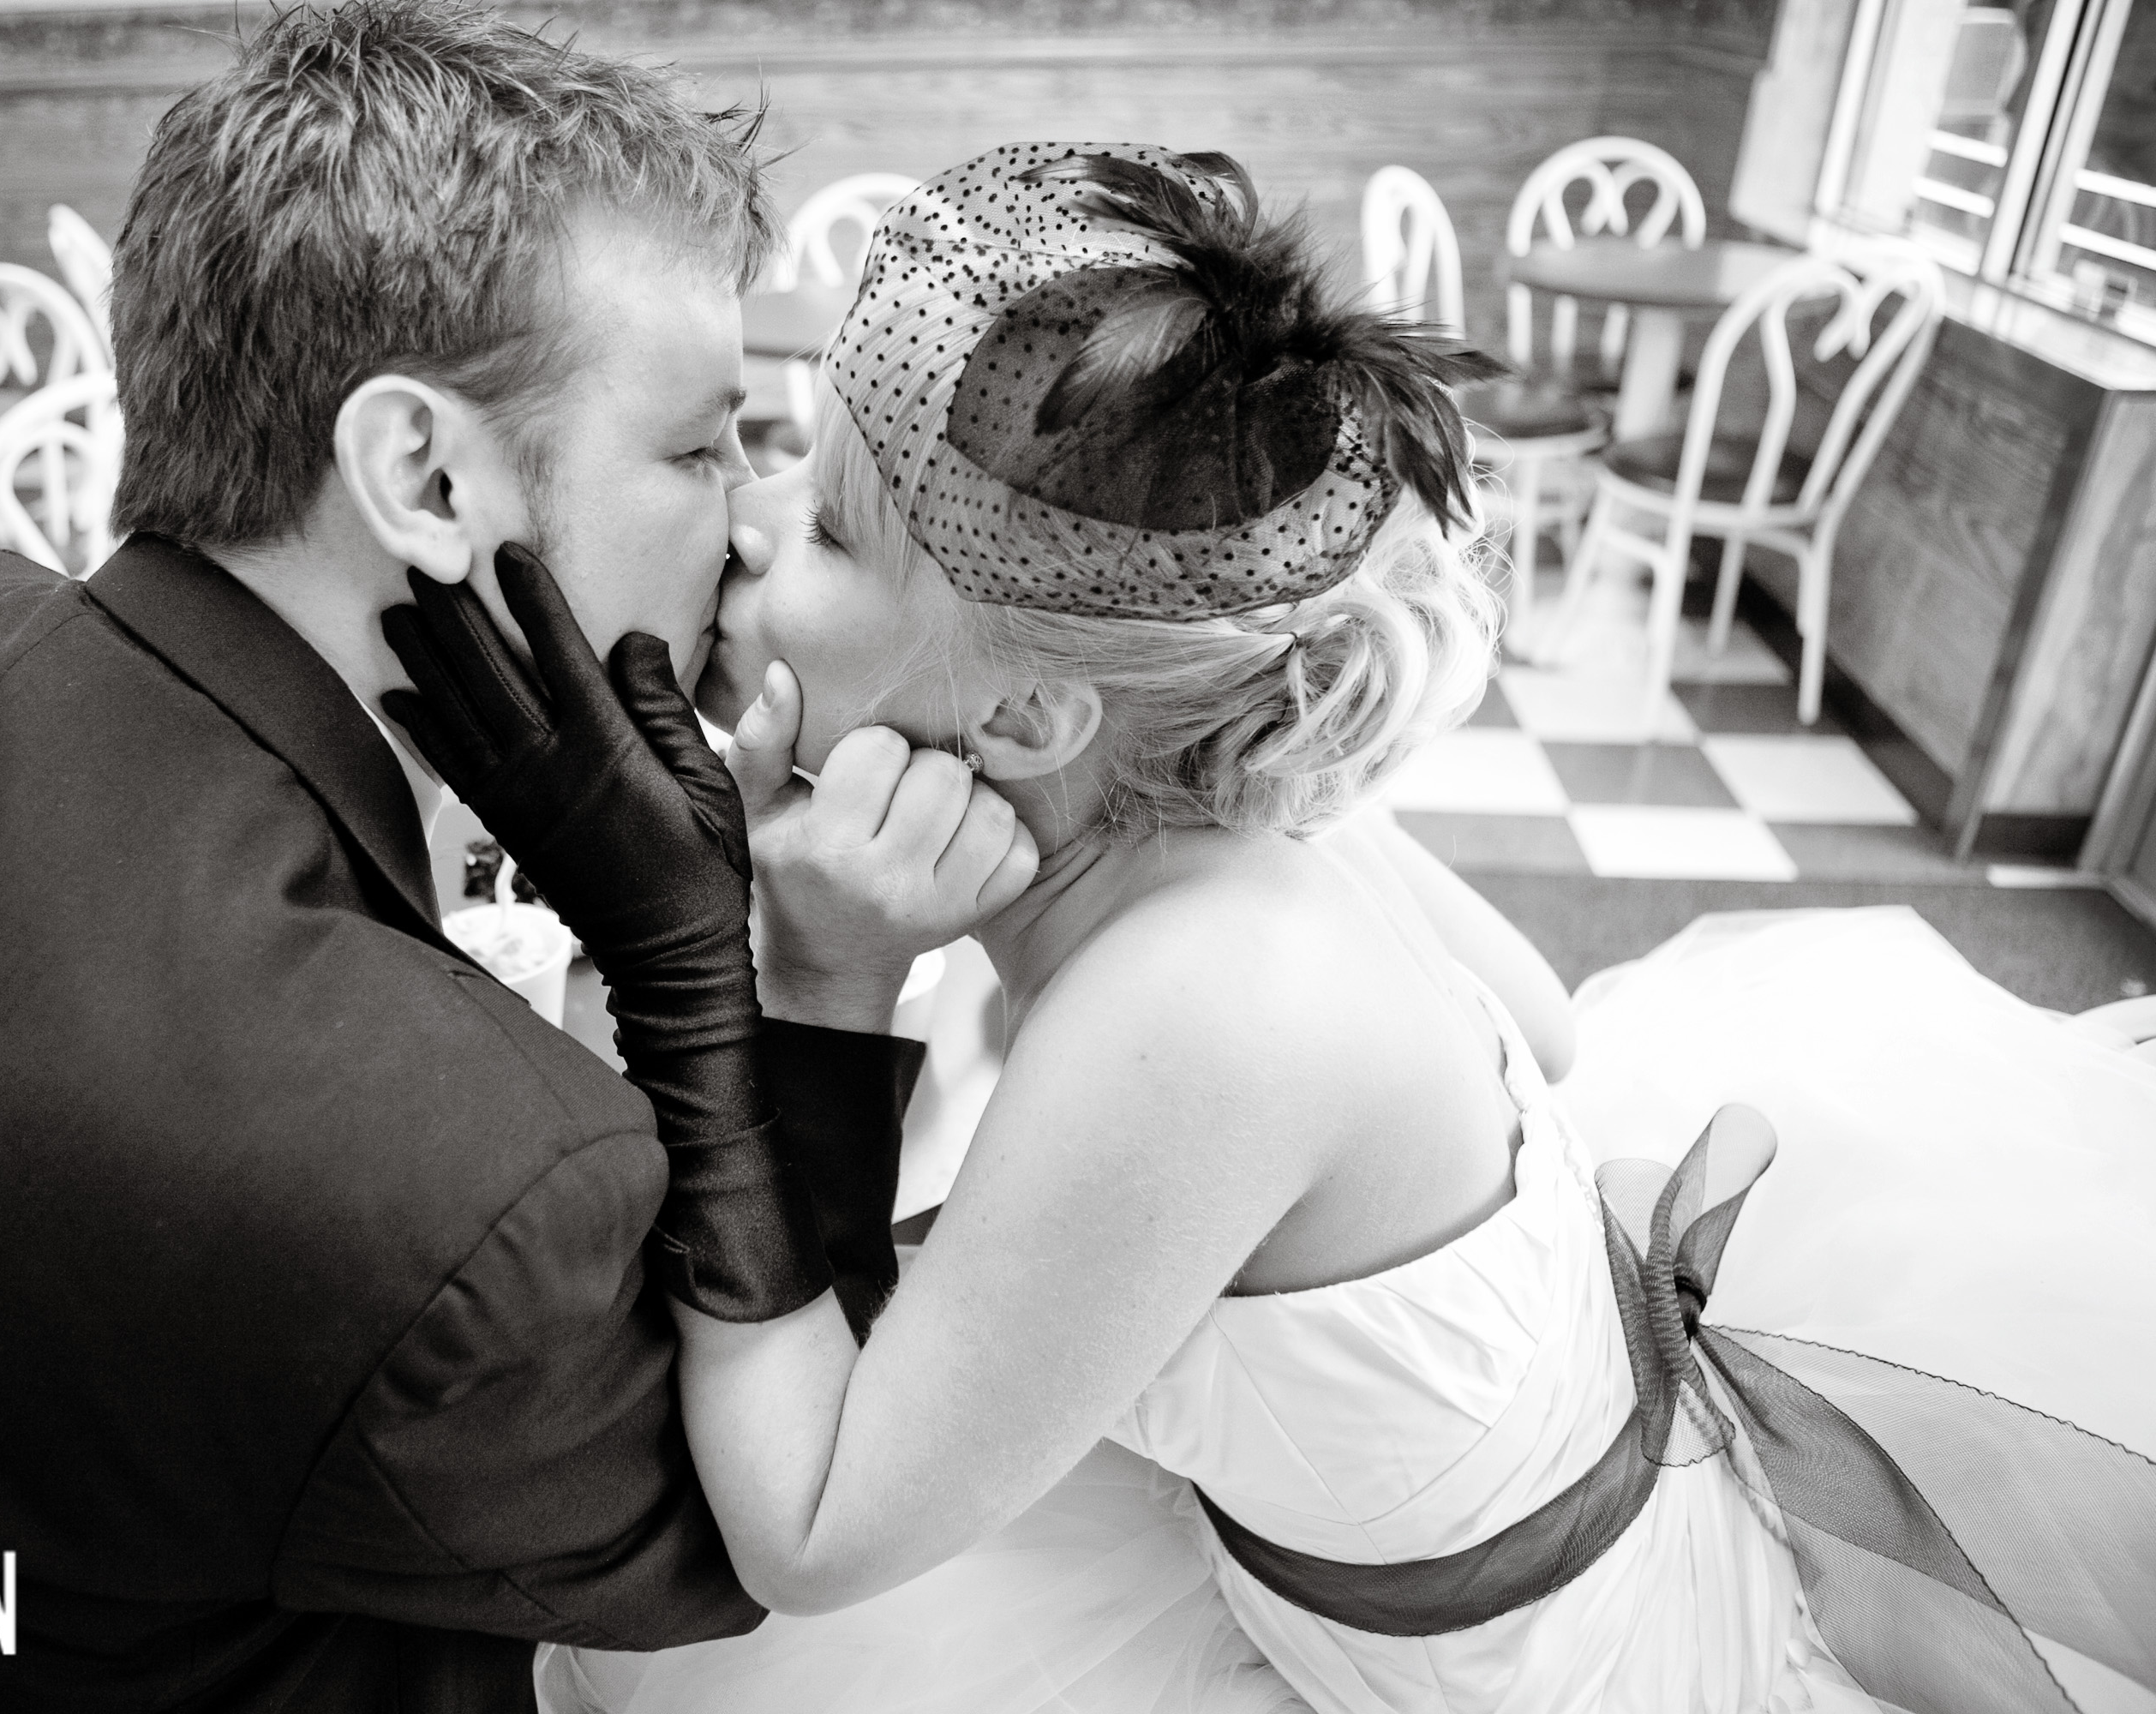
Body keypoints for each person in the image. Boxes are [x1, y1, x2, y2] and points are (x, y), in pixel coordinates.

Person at [506, 144, 2156, 1714]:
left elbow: (808, 1535)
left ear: (1025, 718)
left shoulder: (1200, 1002)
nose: (745, 518)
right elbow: (1547, 1031)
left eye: (829, 528)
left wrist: (819, 980)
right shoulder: (1233, 798)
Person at [0, 8, 1029, 1711]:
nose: (747, 520)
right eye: (697, 446)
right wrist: (772, 983)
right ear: (423, 474)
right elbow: (750, 1535)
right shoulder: (451, 1209)